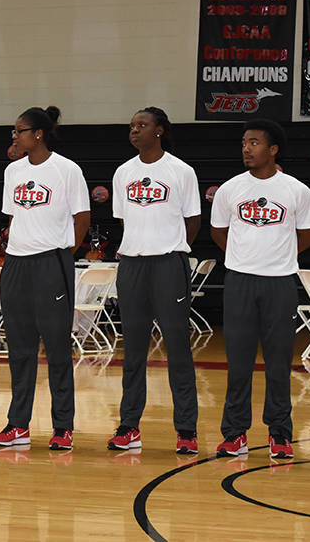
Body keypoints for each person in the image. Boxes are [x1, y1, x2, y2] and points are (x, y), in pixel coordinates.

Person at [210, 119, 310, 459]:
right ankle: (234, 434)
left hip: (281, 282)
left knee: (279, 362)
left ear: (273, 150)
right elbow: (218, 232)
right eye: (244, 142)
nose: (246, 148)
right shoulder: (229, 190)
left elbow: (307, 235)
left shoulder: (297, 191)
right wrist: (245, 258)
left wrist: (277, 258)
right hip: (239, 281)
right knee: (238, 362)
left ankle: (280, 434)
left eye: (254, 142)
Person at [0, 106, 90, 448]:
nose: (15, 137)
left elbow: (82, 218)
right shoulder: (13, 171)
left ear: (38, 134)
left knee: (58, 349)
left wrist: (63, 253)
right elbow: (14, 219)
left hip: (51, 263)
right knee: (19, 350)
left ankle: (63, 427)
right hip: (16, 265)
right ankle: (18, 424)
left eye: (19, 131)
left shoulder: (67, 169)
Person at [107, 107, 201, 454]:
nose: (134, 131)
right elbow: (124, 221)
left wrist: (169, 248)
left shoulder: (181, 171)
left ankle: (187, 430)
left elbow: (192, 220)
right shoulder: (122, 172)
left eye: (142, 125)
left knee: (177, 348)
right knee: (132, 351)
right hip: (132, 265)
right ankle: (129, 426)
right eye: (132, 125)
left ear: (159, 130)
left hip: (168, 265)